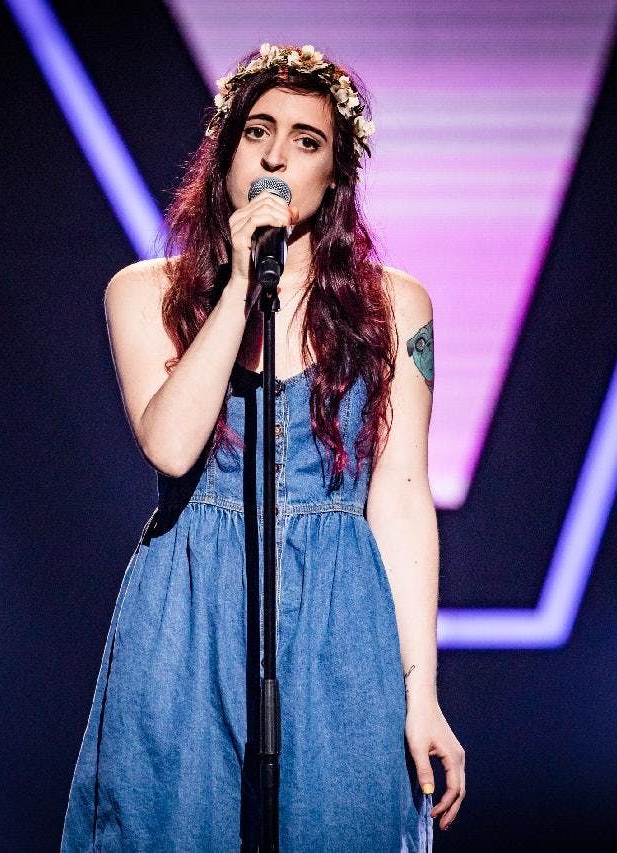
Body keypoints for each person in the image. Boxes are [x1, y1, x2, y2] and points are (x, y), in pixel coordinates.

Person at [61, 42, 464, 851]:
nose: (277, 156)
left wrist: (421, 692)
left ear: (335, 174)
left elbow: (400, 496)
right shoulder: (145, 291)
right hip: (189, 610)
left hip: (339, 616)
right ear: (225, 154)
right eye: (258, 132)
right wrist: (245, 284)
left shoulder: (397, 307)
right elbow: (172, 446)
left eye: (307, 141)